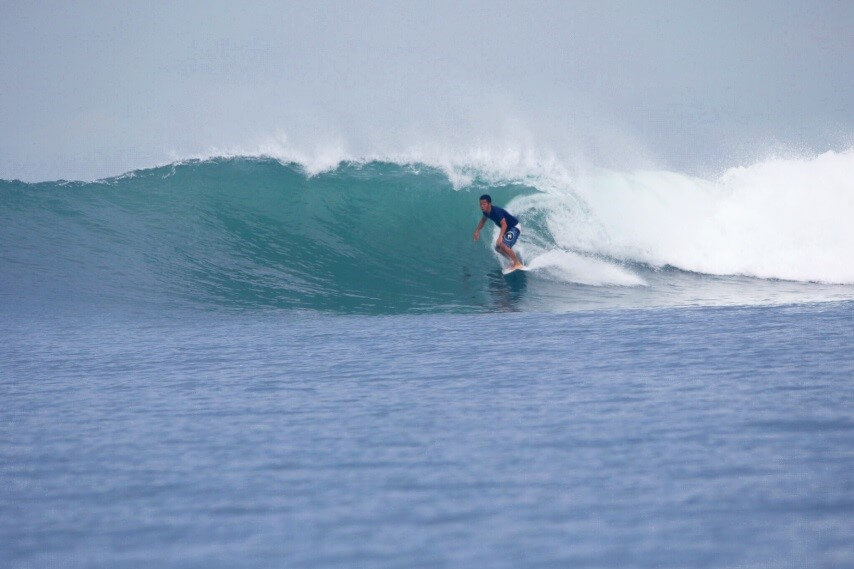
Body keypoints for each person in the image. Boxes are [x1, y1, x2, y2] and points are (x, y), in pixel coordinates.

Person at [473, 194, 524, 270]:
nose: (482, 206)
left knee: (503, 245)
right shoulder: (486, 212)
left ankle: (517, 263)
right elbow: (483, 221)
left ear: (489, 204)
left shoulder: (496, 211)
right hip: (508, 229)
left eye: (484, 204)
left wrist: (500, 237)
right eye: (480, 204)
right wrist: (477, 231)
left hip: (514, 227)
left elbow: (504, 224)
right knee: (497, 248)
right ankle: (512, 260)